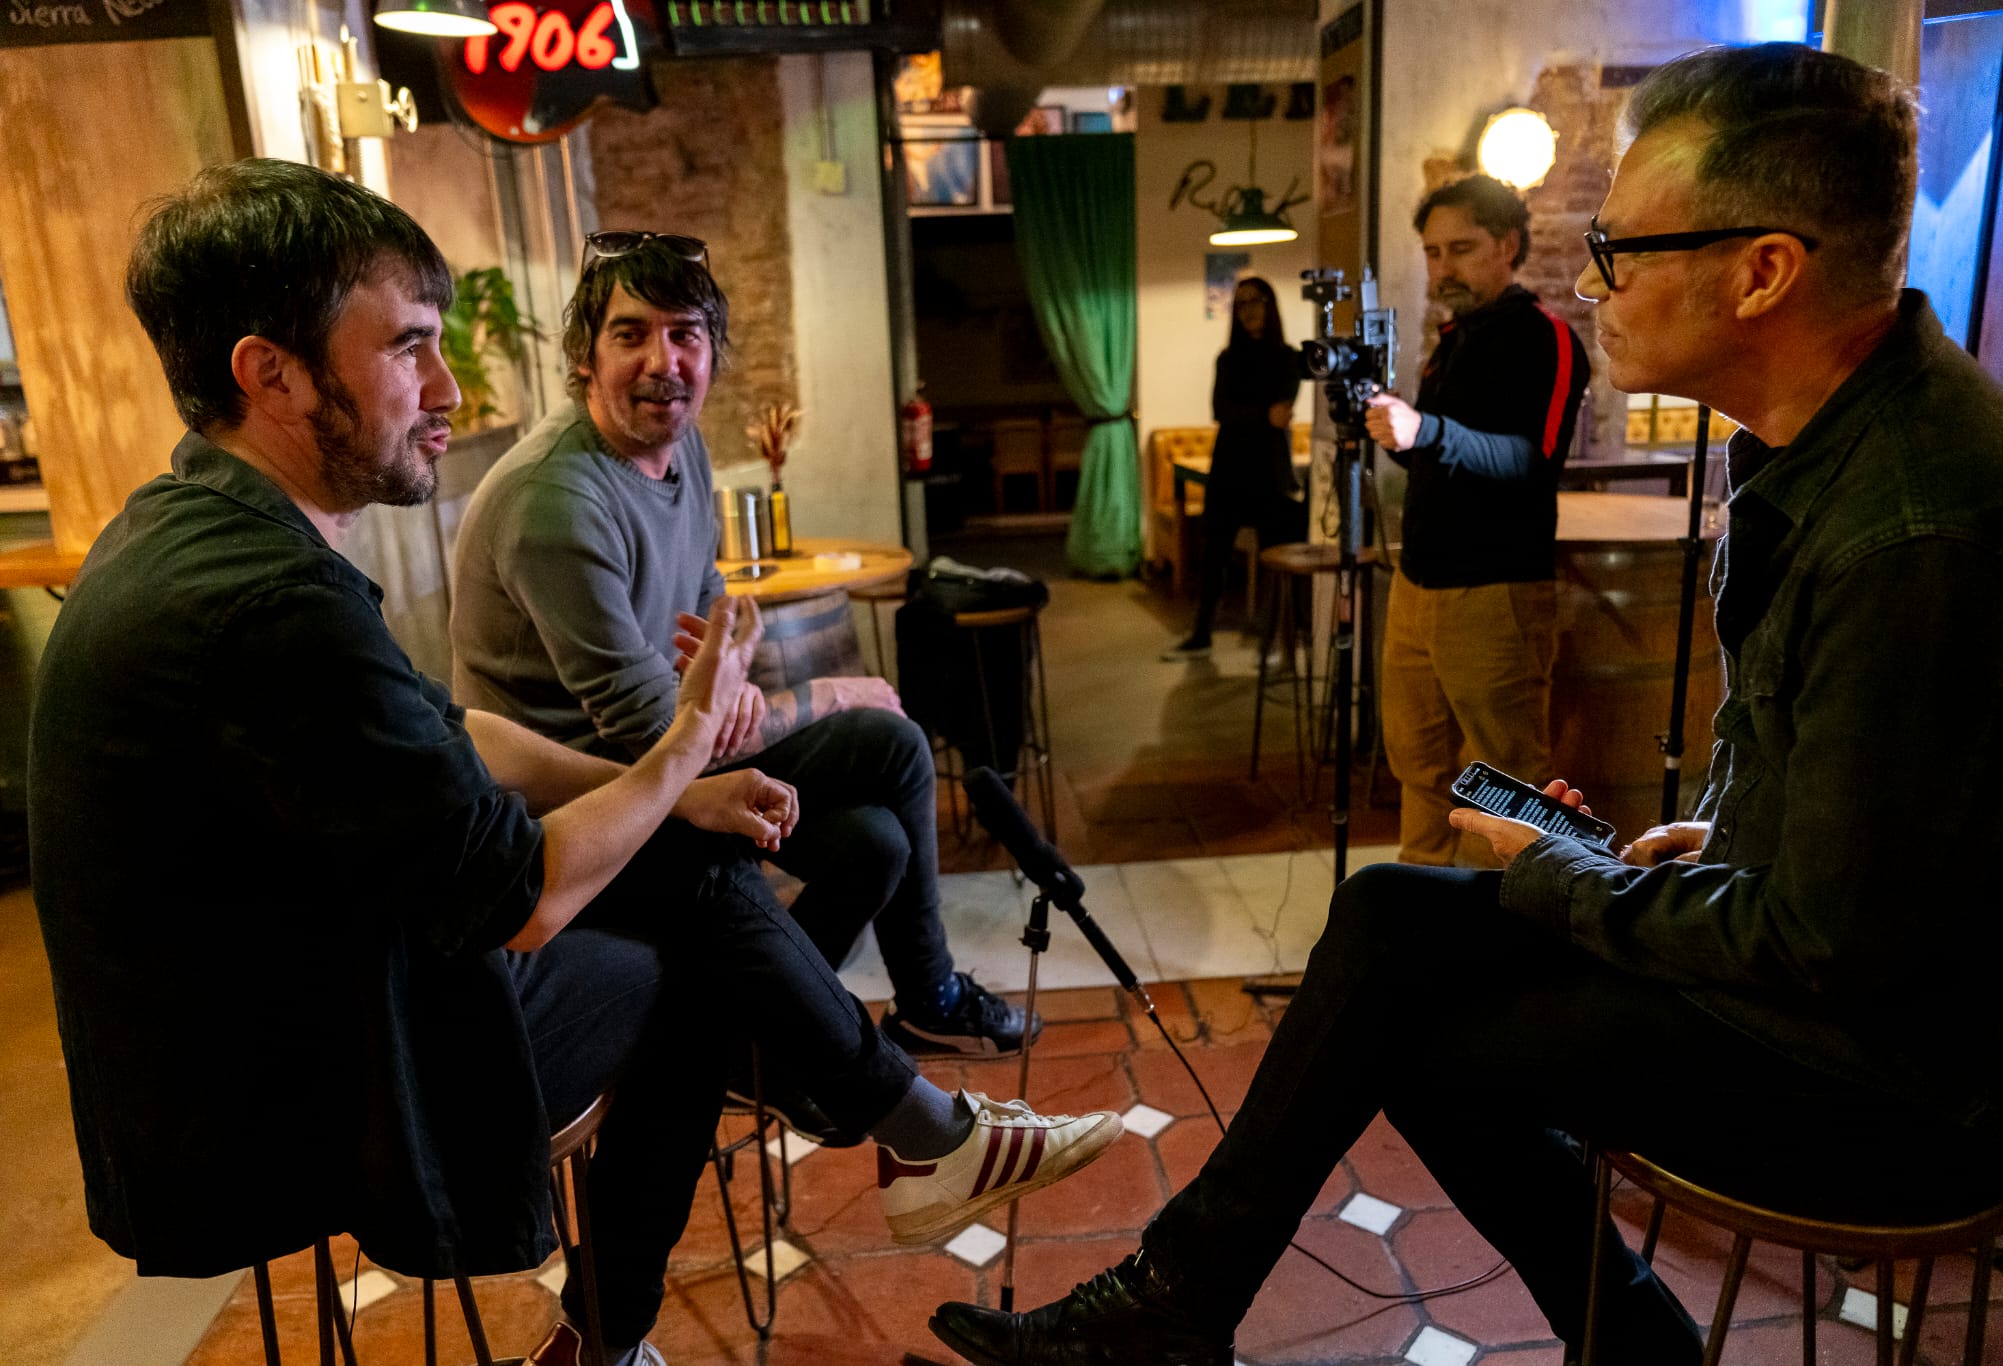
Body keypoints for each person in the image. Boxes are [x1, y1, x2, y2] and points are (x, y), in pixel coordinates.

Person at [929, 42, 2003, 1366]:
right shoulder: (1834, 445)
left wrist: (1559, 881)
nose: (1594, 280)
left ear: (1765, 272)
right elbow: (1861, 823)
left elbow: (1829, 946)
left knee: (1422, 1032)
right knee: (1392, 908)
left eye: (1623, 247)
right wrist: (1724, 828)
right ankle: (1185, 1299)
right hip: (1833, 977)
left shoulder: (1914, 528)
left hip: (1893, 1077)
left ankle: (1611, 1338)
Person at [27, 160, 1120, 1366]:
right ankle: (855, 1151)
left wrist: (682, 778)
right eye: (410, 347)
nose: (447, 388)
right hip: (283, 1095)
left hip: (274, 1013)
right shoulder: (271, 597)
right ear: (268, 371)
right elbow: (527, 899)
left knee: (739, 860)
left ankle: (883, 1122)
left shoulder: (195, 530)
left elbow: (459, 733)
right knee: (689, 953)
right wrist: (685, 758)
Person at [449, 231, 1038, 1067]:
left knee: (875, 843)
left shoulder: (677, 444)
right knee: (891, 741)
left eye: (686, 334)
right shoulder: (556, 500)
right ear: (584, 356)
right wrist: (820, 695)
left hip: (662, 765)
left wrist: (727, 681)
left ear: (711, 354)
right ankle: (918, 1003)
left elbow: (706, 609)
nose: (664, 361)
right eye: (631, 334)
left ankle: (757, 1049)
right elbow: (661, 731)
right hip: (576, 809)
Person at [1364, 174, 1590, 865]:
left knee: (1507, 781)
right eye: (1432, 253)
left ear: (1508, 245)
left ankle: (1508, 943)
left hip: (1494, 593)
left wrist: (1423, 431)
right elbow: (1448, 462)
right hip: (1418, 586)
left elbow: (1530, 461)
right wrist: (1395, 436)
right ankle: (1419, 925)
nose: (1442, 268)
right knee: (1419, 768)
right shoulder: (1454, 338)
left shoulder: (1543, 338)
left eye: (1460, 248)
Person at [1162, 275, 1305, 660]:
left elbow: (1279, 413)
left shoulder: (1288, 358)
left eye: (1256, 301)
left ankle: (1274, 637)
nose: (1249, 310)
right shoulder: (1228, 358)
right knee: (1215, 552)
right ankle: (1202, 633)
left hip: (1269, 467)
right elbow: (1221, 411)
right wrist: (1261, 414)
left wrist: (1251, 416)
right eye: (1241, 304)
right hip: (1228, 466)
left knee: (1275, 553)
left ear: (1270, 305)